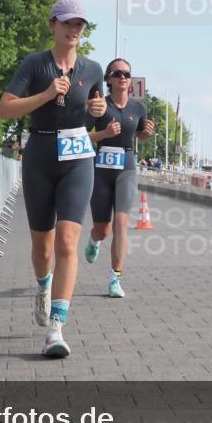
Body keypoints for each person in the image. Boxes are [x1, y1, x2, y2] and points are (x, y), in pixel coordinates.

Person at [0, 0, 106, 358]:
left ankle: (56, 327)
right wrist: (45, 94)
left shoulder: (92, 69)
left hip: (77, 157)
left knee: (68, 242)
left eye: (80, 25)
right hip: (41, 155)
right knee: (42, 248)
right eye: (67, 24)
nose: (74, 30)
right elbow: (4, 108)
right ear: (53, 26)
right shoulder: (35, 63)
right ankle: (43, 286)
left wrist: (98, 111)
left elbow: (95, 114)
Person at [84, 59, 155, 297]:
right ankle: (94, 240)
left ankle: (116, 278)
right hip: (102, 168)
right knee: (103, 230)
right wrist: (104, 133)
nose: (123, 77)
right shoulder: (100, 105)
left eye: (127, 74)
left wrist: (145, 134)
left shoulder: (138, 108)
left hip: (127, 166)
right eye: (117, 73)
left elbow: (141, 135)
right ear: (109, 79)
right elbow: (82, 136)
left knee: (122, 223)